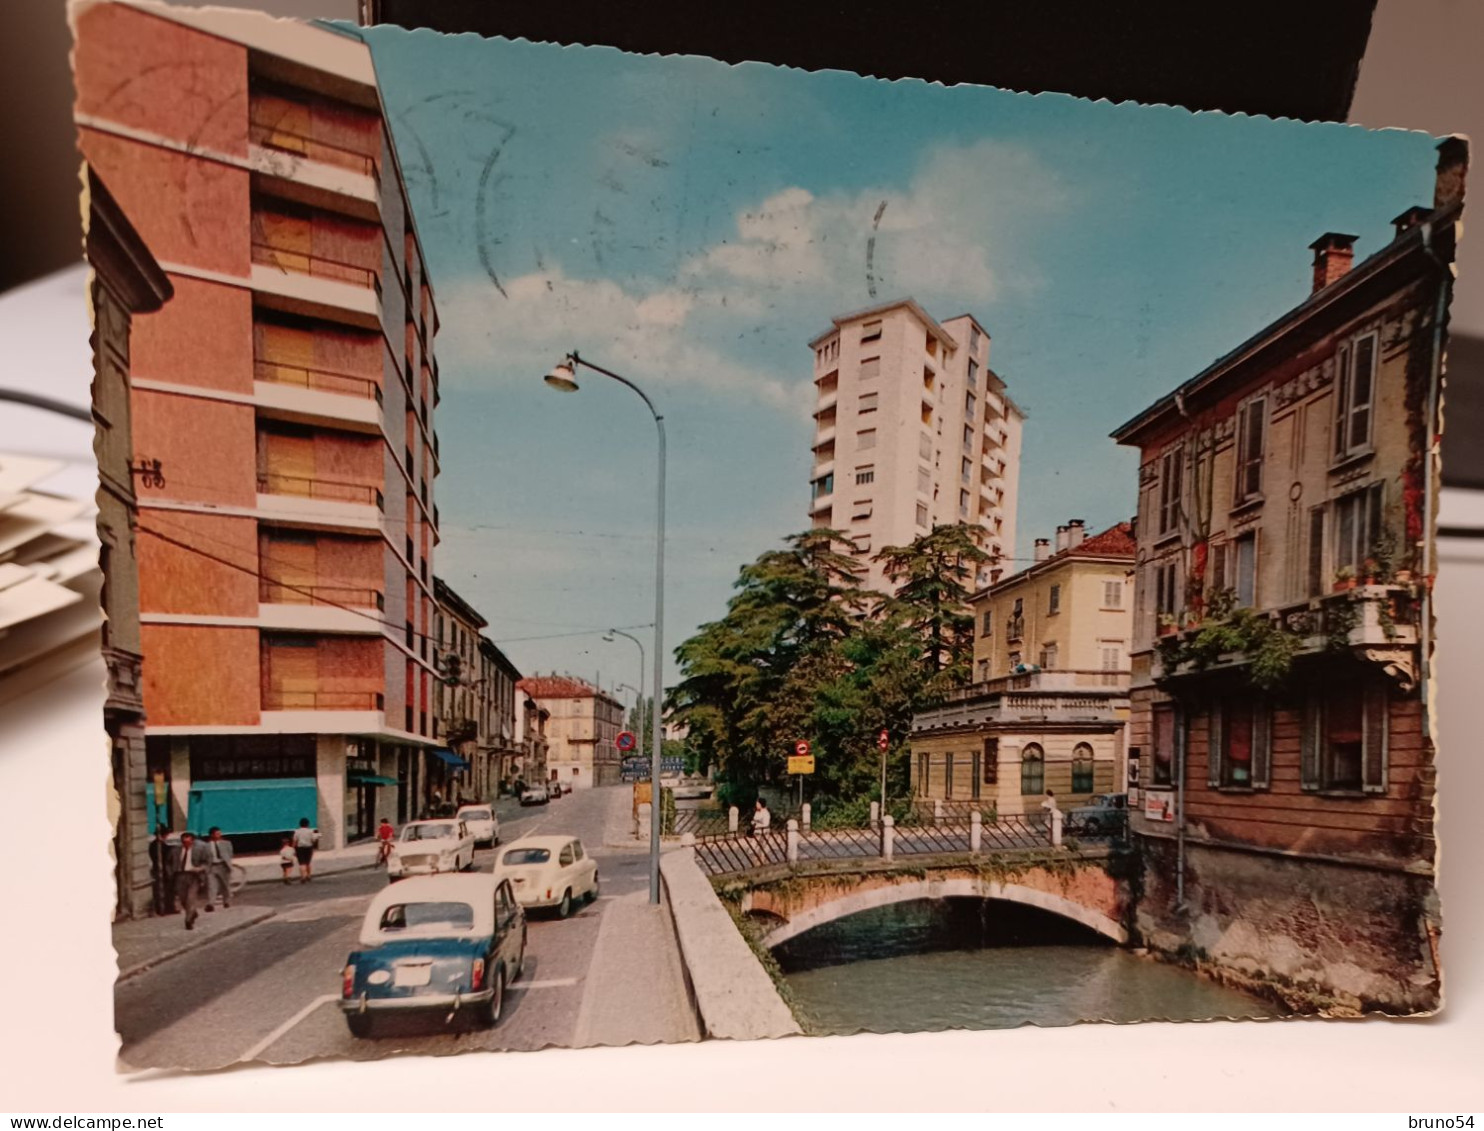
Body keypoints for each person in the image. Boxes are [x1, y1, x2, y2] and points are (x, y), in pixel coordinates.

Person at [171, 831, 210, 930]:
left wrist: (200, 868)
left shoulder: (199, 850)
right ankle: (193, 912)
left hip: (194, 876)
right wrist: (171, 871)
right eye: (184, 842)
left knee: (191, 898)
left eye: (188, 842)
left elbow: (207, 862)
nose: (186, 844)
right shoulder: (176, 850)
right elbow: (169, 862)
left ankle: (188, 920)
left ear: (192, 841)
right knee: (183, 899)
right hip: (180, 876)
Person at [203, 826, 235, 911]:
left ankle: (227, 901)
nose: (219, 835)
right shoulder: (206, 845)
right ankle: (211, 903)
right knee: (211, 885)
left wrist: (228, 863)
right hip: (212, 866)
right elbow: (204, 857)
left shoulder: (226, 843)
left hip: (223, 865)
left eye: (219, 833)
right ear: (211, 835)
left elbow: (230, 854)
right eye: (217, 834)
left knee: (225, 885)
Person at [148, 824, 177, 916]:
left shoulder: (157, 844)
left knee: (165, 890)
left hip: (160, 869)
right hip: (162, 870)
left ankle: (165, 908)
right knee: (165, 890)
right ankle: (165, 908)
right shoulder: (157, 845)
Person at [292, 817, 320, 883]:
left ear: (300, 824)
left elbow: (295, 841)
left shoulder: (297, 831)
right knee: (308, 862)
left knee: (302, 863)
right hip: (309, 848)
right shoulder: (311, 831)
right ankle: (308, 875)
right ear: (307, 824)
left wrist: (293, 849)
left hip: (300, 848)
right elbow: (313, 840)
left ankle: (303, 876)